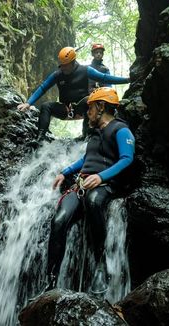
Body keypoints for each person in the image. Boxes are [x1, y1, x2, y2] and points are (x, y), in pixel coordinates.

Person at [46, 87, 135, 294]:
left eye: (90, 108)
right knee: (58, 221)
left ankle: (101, 268)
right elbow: (86, 160)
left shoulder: (121, 130)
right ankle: (49, 283)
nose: (88, 113)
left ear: (101, 106)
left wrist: (101, 177)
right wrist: (64, 172)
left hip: (105, 185)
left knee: (94, 201)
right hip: (81, 185)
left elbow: (127, 159)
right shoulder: (95, 135)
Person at [17, 47, 130, 141]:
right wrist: (28, 103)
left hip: (83, 108)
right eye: (61, 65)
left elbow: (105, 78)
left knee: (89, 100)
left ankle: (86, 136)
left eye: (66, 65)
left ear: (73, 61)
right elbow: (43, 88)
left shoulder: (86, 70)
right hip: (65, 109)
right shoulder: (58, 74)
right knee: (46, 106)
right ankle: (40, 138)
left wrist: (127, 80)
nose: (63, 68)